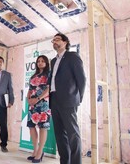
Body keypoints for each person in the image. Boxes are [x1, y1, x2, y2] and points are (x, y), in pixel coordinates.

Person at [49, 33, 86, 164]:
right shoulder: (53, 61)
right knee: (60, 135)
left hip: (68, 100)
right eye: (53, 40)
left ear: (65, 42)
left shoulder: (72, 56)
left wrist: (78, 98)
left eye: (57, 39)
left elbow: (81, 79)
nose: (54, 42)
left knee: (73, 135)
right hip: (54, 100)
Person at [27, 55, 51, 163]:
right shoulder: (33, 76)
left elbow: (48, 89)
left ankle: (40, 151)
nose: (40, 63)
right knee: (32, 127)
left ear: (46, 63)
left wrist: (37, 99)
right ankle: (35, 150)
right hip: (32, 104)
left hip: (43, 104)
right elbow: (30, 89)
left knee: (42, 127)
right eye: (38, 61)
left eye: (42, 61)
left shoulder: (48, 75)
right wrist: (28, 99)